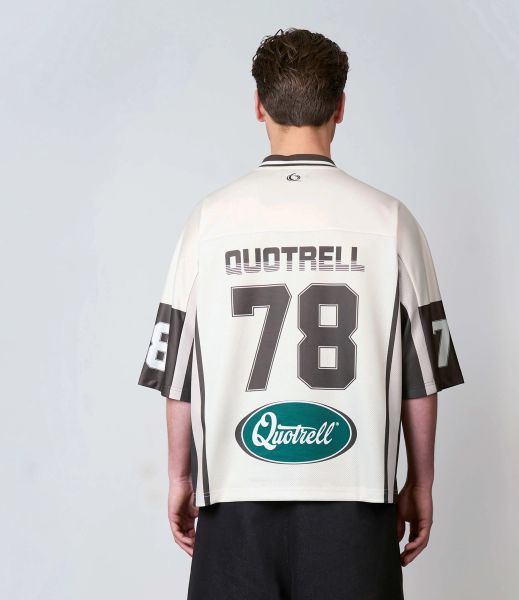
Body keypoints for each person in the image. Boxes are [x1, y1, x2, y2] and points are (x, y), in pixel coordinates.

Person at [138, 27, 464, 600]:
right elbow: (421, 378)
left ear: (258, 105)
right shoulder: (390, 221)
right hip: (357, 500)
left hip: (235, 499)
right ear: (341, 107)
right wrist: (421, 482)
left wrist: (180, 477)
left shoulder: (208, 221)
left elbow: (179, 375)